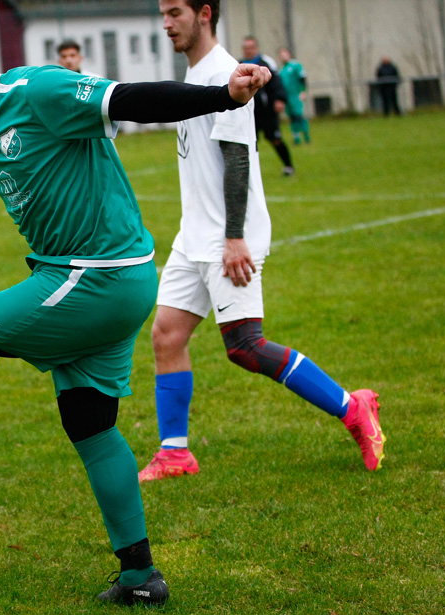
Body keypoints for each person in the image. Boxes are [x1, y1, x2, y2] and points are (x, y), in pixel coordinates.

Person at [0, 30, 269, 606]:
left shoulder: (38, 90)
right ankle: (140, 577)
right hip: (99, 278)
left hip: (96, 276)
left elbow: (132, 99)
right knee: (90, 423)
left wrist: (224, 93)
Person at [139, 0, 386, 483]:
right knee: (166, 335)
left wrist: (234, 238)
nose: (166, 23)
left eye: (175, 13)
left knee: (245, 346)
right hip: (195, 235)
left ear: (204, 13)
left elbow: (238, 160)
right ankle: (175, 454)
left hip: (229, 237)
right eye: (162, 13)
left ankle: (352, 406)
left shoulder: (229, 74)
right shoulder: (196, 75)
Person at [241, 36, 294, 176]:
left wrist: (279, 99)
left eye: (251, 47)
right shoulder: (239, 65)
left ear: (256, 48)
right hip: (249, 112)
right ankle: (250, 172)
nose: (248, 51)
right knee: (249, 142)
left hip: (267, 111)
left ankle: (288, 166)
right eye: (246, 48)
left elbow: (276, 83)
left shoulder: (265, 64)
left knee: (275, 139)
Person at [277, 46, 309, 144]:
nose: (283, 56)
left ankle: (306, 136)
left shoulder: (295, 65)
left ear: (289, 54)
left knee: (298, 115)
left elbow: (302, 78)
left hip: (296, 95)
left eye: (284, 54)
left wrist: (303, 91)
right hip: (287, 97)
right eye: (281, 55)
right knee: (292, 117)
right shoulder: (282, 70)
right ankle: (296, 138)